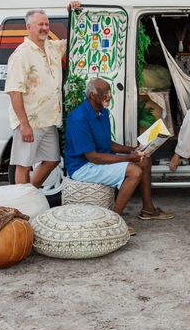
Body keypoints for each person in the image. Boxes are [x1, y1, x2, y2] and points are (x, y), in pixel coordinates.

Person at [64, 78, 174, 235]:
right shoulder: (79, 118)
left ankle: (148, 210)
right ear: (92, 95)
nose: (109, 96)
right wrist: (129, 158)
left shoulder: (102, 112)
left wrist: (132, 150)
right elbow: (93, 157)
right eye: (104, 93)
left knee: (144, 160)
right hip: (82, 167)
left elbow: (106, 143)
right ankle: (114, 222)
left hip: (97, 158)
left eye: (109, 92)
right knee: (134, 171)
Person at [5, 3, 79, 187]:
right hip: (30, 121)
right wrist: (24, 124)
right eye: (40, 24)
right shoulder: (21, 54)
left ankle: (29, 191)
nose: (45, 28)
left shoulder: (53, 47)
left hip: (49, 120)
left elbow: (77, 39)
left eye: (47, 24)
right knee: (23, 165)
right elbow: (14, 91)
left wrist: (73, 14)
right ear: (29, 27)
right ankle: (22, 200)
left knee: (53, 160)